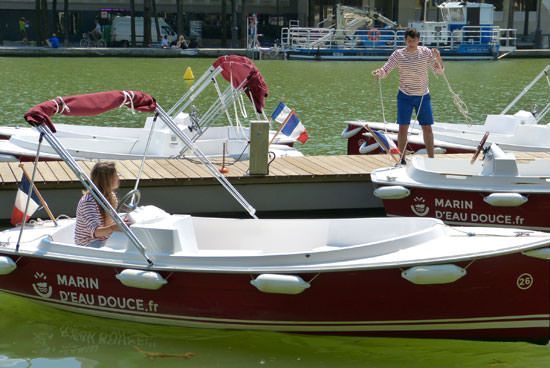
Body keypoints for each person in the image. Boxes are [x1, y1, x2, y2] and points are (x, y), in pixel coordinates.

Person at [372, 28, 444, 160]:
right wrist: (379, 73)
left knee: (427, 128)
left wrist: (438, 58)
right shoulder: (398, 54)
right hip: (404, 95)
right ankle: (402, 159)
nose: (411, 43)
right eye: (409, 40)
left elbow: (439, 71)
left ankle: (431, 159)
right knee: (403, 128)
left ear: (418, 40)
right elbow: (386, 69)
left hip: (423, 96)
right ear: (405, 40)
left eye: (414, 40)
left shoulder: (426, 52)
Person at [75, 162, 128, 247]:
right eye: (115, 175)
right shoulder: (88, 202)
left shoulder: (111, 196)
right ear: (107, 179)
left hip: (103, 239)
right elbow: (96, 232)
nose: (118, 176)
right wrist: (115, 227)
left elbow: (107, 225)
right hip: (88, 244)